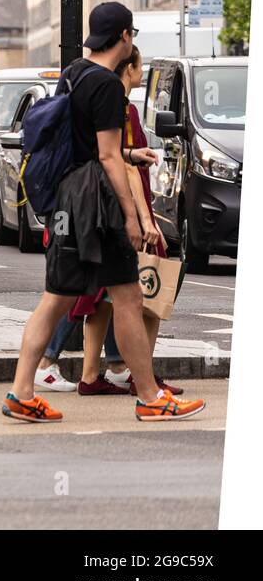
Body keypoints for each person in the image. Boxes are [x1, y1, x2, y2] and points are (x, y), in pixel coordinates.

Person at [2, 3, 205, 423]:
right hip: (96, 203)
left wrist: (132, 151)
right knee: (128, 296)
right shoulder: (110, 86)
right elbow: (110, 160)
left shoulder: (74, 72)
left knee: (56, 297)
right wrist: (132, 218)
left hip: (67, 197)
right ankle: (151, 397)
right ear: (126, 37)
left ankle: (21, 391)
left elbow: (87, 145)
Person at [71, 45, 184, 397]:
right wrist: (143, 220)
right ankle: (143, 380)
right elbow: (127, 169)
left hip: (95, 210)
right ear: (129, 69)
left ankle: (93, 374)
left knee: (96, 299)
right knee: (147, 294)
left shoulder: (86, 90)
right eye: (139, 68)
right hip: (121, 213)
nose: (141, 75)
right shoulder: (120, 107)